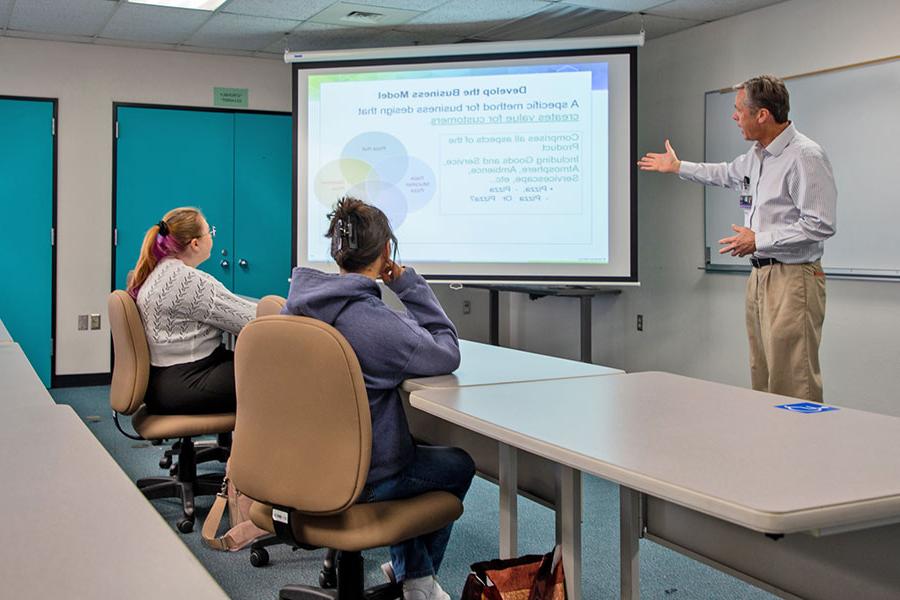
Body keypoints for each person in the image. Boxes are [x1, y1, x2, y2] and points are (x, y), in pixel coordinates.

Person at [282, 197, 475, 600]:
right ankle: (417, 579)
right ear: (386, 251)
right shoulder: (372, 322)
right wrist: (406, 283)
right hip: (361, 479)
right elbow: (446, 350)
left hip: (300, 467)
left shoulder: (298, 306)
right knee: (456, 464)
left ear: (336, 251)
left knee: (410, 449)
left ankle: (410, 568)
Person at [637, 74, 837, 402]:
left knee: (792, 379)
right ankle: (769, 448)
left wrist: (759, 240)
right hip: (760, 276)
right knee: (763, 374)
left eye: (739, 110)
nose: (733, 117)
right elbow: (724, 173)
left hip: (793, 278)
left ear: (762, 115)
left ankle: (798, 450)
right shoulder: (755, 156)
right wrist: (678, 167)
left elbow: (820, 224)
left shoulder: (805, 156)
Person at [128, 207, 256, 415]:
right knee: (275, 378)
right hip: (188, 381)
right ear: (195, 243)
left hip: (163, 382)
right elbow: (252, 321)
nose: (212, 238)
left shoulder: (158, 271)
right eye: (209, 233)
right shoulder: (189, 282)